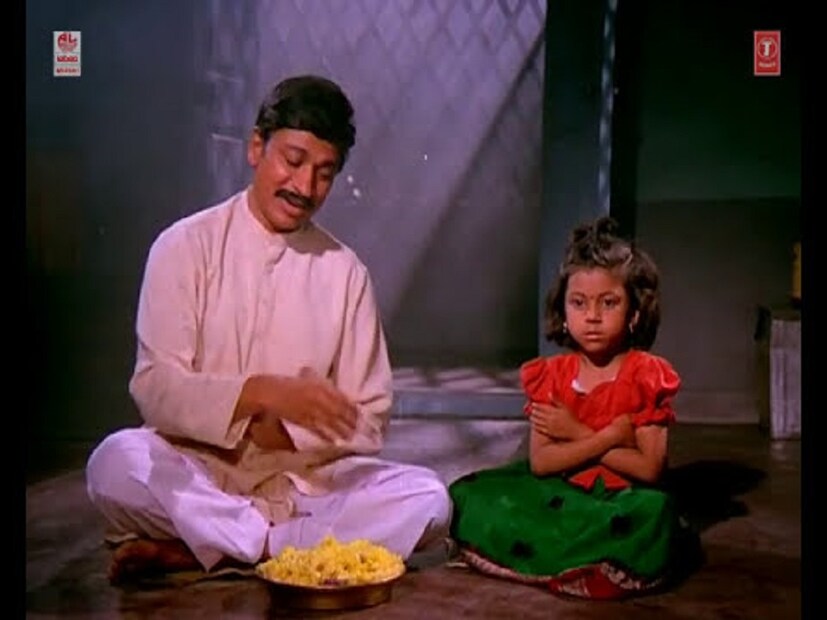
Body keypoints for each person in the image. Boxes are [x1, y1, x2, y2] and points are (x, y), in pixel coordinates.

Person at [85, 74, 452, 584]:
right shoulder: (184, 246)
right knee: (114, 465)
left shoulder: (345, 272)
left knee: (428, 501)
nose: (304, 187)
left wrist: (289, 435)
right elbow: (155, 388)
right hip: (196, 470)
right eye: (293, 161)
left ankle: (210, 547)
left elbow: (369, 416)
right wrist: (259, 394)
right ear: (256, 147)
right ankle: (270, 546)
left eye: (324, 173)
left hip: (300, 484)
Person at [448, 216, 700, 599]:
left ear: (634, 314)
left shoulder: (647, 375)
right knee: (470, 494)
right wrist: (608, 437)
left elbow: (649, 468)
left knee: (654, 514)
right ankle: (576, 562)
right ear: (563, 311)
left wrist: (577, 433)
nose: (592, 316)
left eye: (609, 303)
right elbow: (542, 463)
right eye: (578, 303)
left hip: (620, 500)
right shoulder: (550, 375)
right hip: (557, 489)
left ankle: (582, 562)